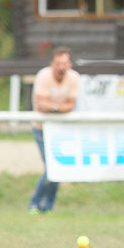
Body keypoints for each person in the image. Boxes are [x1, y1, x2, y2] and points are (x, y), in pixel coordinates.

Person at [29, 47, 79, 214]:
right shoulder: (43, 76)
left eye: (64, 63)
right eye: (58, 63)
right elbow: (40, 105)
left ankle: (47, 206)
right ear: (52, 64)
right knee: (51, 168)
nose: (61, 67)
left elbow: (71, 106)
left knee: (57, 168)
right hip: (41, 128)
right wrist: (60, 107)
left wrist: (53, 106)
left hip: (60, 131)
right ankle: (35, 203)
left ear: (69, 64)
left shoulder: (74, 78)